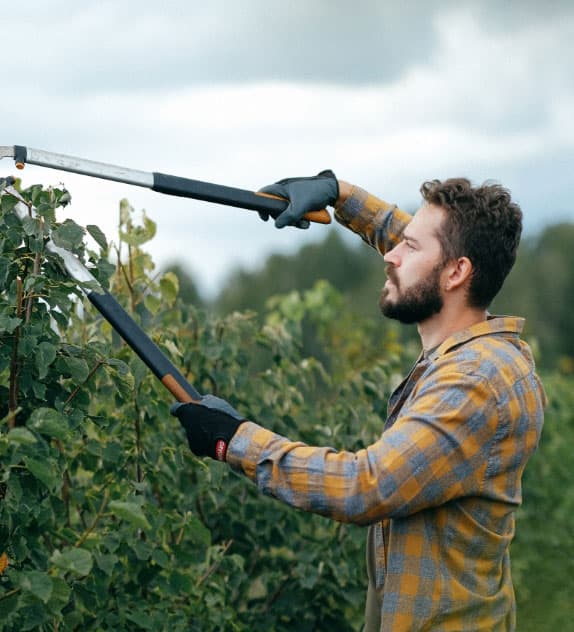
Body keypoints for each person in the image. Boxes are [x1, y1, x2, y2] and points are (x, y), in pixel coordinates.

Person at [171, 171, 546, 631]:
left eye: (409, 247)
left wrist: (236, 441)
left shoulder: (473, 384)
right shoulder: (474, 344)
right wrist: (338, 194)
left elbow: (365, 487)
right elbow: (411, 242)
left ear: (456, 272)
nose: (391, 255)